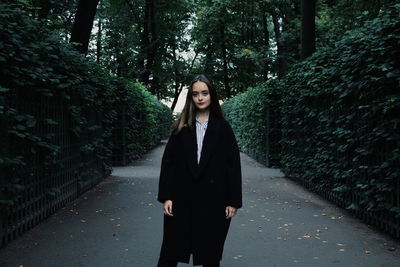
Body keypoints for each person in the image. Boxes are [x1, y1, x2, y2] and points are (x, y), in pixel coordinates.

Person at [157, 74, 242, 267]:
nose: (200, 98)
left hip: (214, 199)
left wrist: (233, 201)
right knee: (170, 250)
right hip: (181, 196)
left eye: (204, 93)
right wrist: (167, 196)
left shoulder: (223, 128)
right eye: (195, 94)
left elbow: (233, 167)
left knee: (210, 255)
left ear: (211, 95)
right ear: (191, 98)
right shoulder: (181, 128)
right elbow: (168, 163)